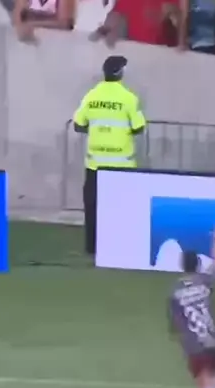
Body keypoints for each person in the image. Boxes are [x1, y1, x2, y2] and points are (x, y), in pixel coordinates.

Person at [73, 55, 146, 256]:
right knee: (122, 209)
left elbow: (78, 124)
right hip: (122, 166)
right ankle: (119, 245)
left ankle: (92, 247)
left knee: (92, 207)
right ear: (122, 72)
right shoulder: (129, 98)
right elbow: (139, 127)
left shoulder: (91, 95)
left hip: (95, 164)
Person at [168, 232, 215, 388]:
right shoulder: (204, 280)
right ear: (198, 264)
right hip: (214, 339)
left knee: (204, 381)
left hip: (195, 344)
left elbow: (177, 323)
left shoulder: (176, 291)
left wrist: (181, 339)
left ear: (181, 265)